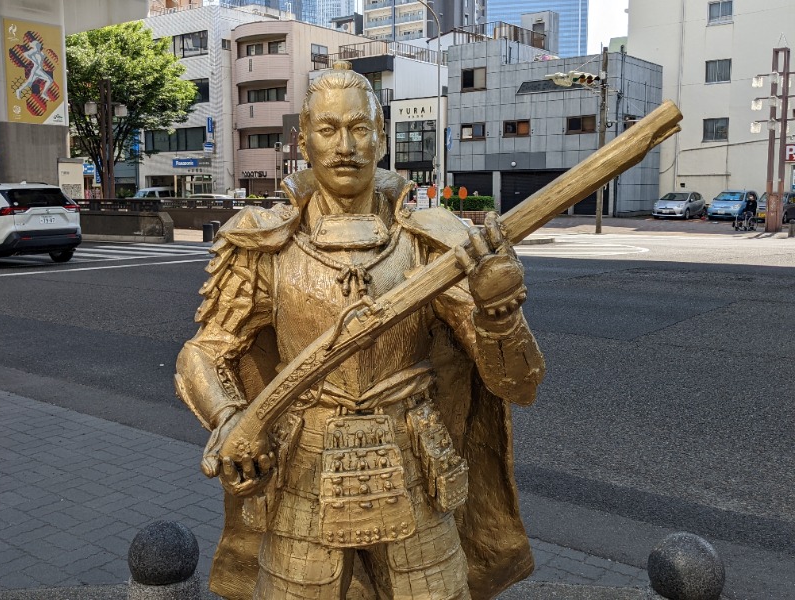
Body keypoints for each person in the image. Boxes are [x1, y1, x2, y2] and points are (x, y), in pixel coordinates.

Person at [175, 61, 545, 600]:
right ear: (304, 140)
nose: (344, 145)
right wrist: (231, 419)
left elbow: (518, 384)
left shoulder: (430, 242)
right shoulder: (266, 244)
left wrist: (499, 314)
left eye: (358, 128)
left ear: (380, 139)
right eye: (328, 129)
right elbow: (204, 354)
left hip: (416, 458)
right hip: (301, 463)